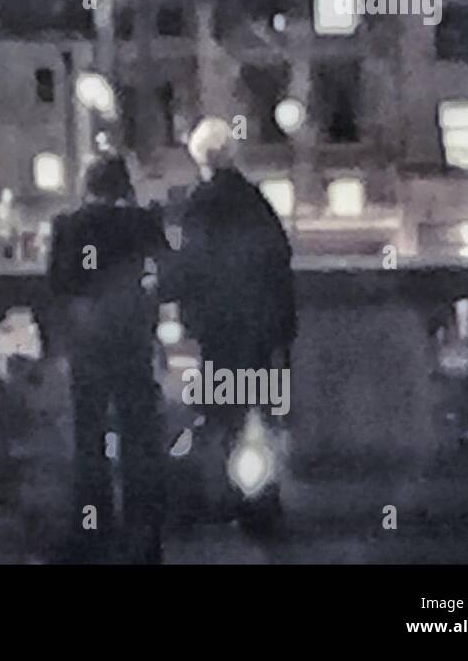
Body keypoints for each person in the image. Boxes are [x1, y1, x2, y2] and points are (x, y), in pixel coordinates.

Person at [161, 117, 296, 531]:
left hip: (219, 331)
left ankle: (221, 497)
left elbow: (188, 267)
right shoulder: (254, 200)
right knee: (261, 415)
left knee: (221, 415)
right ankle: (262, 500)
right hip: (260, 328)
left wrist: (175, 303)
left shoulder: (200, 204)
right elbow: (279, 260)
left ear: (200, 159)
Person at [48, 153, 168, 563]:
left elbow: (59, 285)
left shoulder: (69, 225)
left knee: (89, 442)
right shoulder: (143, 222)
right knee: (140, 442)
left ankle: (91, 527)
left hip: (90, 347)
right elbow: (165, 272)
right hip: (133, 343)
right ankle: (144, 536)